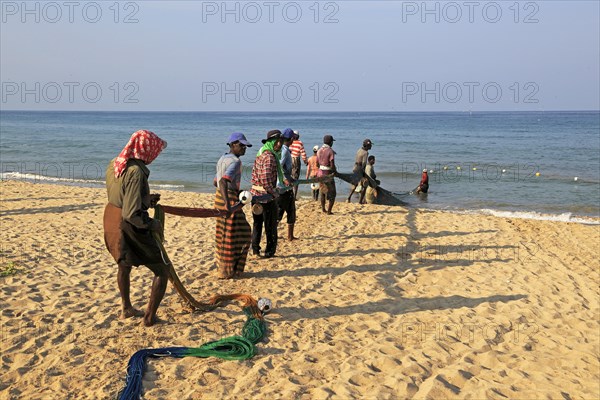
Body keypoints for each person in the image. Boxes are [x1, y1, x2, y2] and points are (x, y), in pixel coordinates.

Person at [103, 129, 168, 327]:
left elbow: (122, 196)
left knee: (124, 264)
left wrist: (145, 200)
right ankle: (149, 318)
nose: (154, 156)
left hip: (111, 217)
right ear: (145, 150)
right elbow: (131, 213)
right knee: (162, 270)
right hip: (128, 224)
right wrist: (152, 224)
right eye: (154, 151)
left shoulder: (115, 163)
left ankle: (127, 308)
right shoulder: (136, 172)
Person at [213, 132, 253, 279]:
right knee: (242, 233)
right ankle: (230, 271)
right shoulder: (236, 162)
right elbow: (223, 181)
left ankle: (224, 269)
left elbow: (215, 182)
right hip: (228, 200)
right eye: (241, 145)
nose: (244, 148)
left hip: (219, 198)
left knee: (223, 234)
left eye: (245, 146)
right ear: (233, 144)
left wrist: (236, 190)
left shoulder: (223, 158)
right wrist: (229, 205)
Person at [250, 130, 287, 258]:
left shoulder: (260, 154)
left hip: (255, 195)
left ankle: (255, 249)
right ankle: (269, 251)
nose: (279, 144)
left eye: (281, 142)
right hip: (265, 197)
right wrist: (273, 192)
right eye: (277, 142)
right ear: (271, 142)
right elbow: (265, 179)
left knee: (257, 223)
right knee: (270, 225)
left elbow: (254, 174)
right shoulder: (270, 157)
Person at [277, 128, 298, 241]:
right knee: (288, 210)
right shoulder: (285, 150)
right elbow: (279, 166)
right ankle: (289, 236)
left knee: (282, 210)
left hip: (282, 185)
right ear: (291, 139)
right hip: (284, 187)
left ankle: (288, 235)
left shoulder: (281, 149)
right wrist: (285, 178)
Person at [347, 138, 373, 204]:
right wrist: (364, 173)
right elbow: (364, 163)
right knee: (365, 184)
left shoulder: (359, 150)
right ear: (367, 146)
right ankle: (360, 201)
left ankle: (349, 198)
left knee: (355, 184)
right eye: (370, 145)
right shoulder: (366, 152)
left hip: (355, 168)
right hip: (360, 169)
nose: (371, 146)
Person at [317, 134, 337, 214]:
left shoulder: (319, 150)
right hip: (327, 173)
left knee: (322, 192)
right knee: (332, 193)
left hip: (320, 173)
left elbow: (317, 164)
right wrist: (335, 171)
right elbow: (332, 164)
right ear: (331, 142)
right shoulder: (330, 151)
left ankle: (323, 209)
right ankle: (329, 211)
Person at [288, 130, 308, 199]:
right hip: (296, 160)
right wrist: (306, 161)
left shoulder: (290, 142)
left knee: (289, 176)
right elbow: (303, 153)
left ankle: (289, 194)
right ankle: (294, 196)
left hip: (289, 159)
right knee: (295, 178)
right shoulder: (299, 143)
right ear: (298, 136)